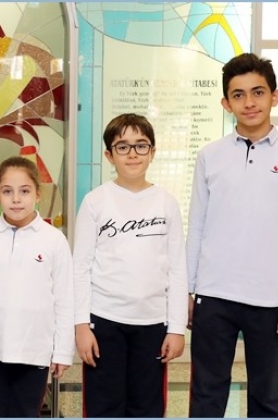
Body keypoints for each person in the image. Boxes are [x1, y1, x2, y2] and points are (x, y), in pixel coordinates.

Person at [187, 52, 278, 417]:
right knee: (206, 396)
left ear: (275, 96)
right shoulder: (209, 156)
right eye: (238, 95)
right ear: (226, 103)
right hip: (213, 295)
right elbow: (197, 225)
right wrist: (187, 291)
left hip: (271, 300)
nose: (249, 102)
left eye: (258, 92)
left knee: (267, 400)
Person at [73, 113, 188, 417]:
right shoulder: (95, 202)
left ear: (153, 151)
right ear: (109, 155)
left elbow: (178, 269)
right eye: (122, 147)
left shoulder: (166, 203)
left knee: (147, 407)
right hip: (104, 321)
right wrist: (81, 325)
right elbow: (80, 268)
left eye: (141, 145)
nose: (133, 153)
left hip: (153, 324)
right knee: (103, 406)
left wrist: (177, 328)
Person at [0, 156, 74, 417]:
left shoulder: (54, 240)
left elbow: (64, 298)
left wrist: (62, 351)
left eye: (24, 191)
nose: (16, 199)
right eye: (7, 191)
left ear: (38, 194)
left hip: (34, 350)